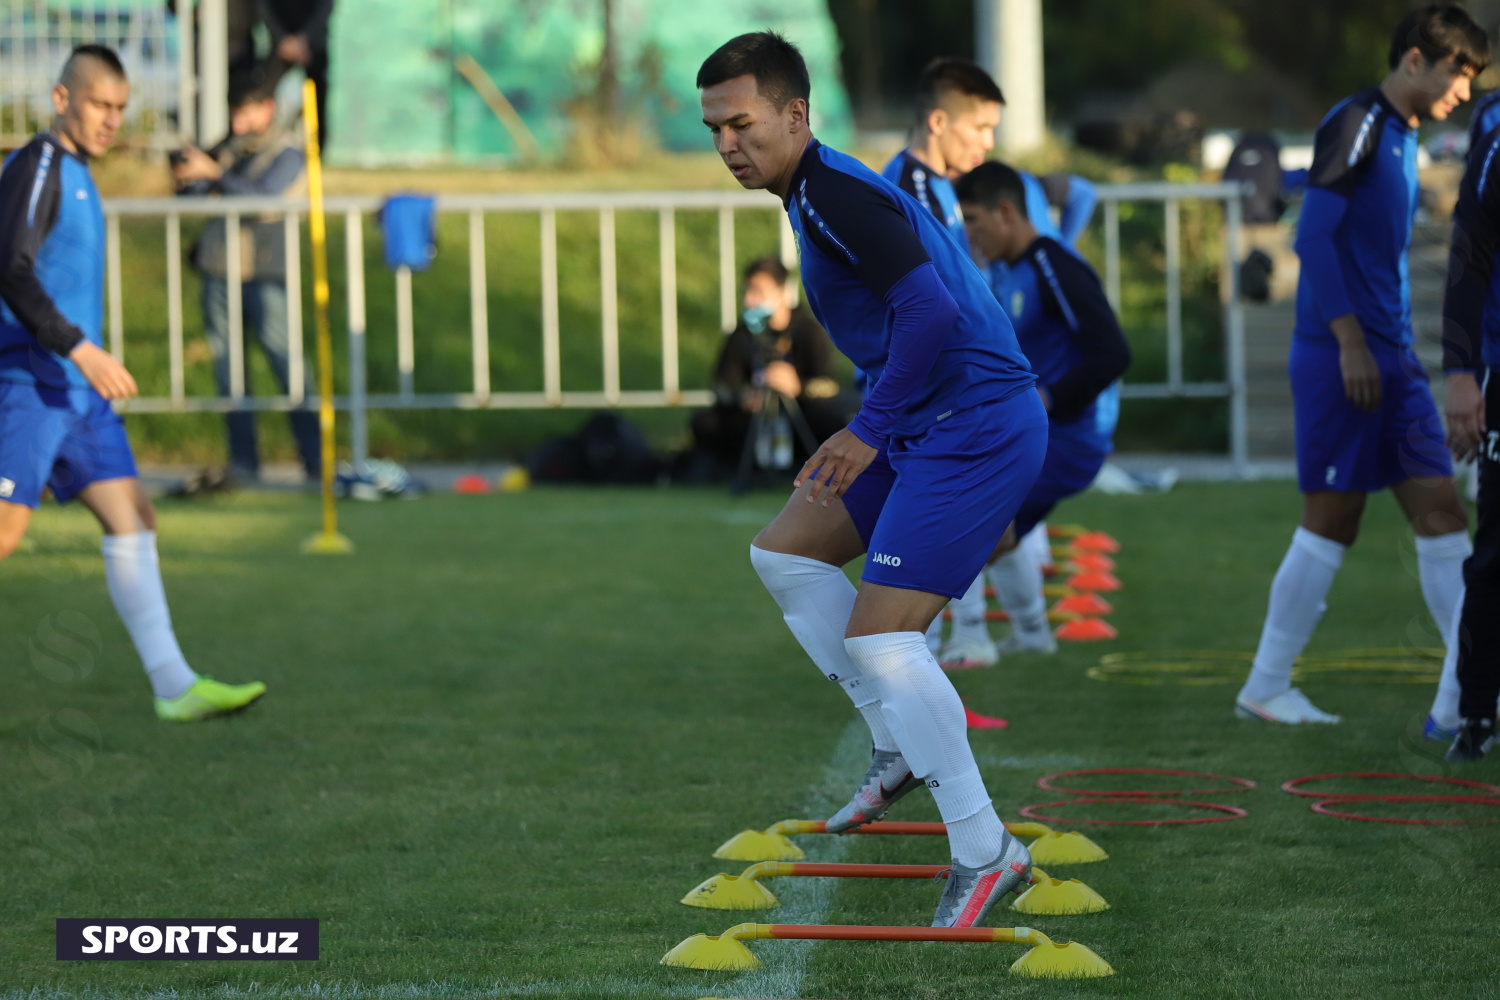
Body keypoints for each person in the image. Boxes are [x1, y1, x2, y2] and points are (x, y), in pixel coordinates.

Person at [699, 31, 1048, 928]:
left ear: (795, 114)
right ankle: (894, 745)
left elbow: (928, 308)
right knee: (783, 553)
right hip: (929, 422)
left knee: (886, 643)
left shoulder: (832, 194)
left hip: (974, 422)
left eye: (743, 123)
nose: (729, 145)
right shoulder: (813, 191)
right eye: (715, 130)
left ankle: (986, 851)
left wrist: (866, 426)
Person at [1234, 5, 1487, 725]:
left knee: (1442, 512)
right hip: (1343, 359)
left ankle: (1473, 685)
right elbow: (1311, 239)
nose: (1464, 92)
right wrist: (1349, 342)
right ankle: (1265, 686)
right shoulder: (1357, 122)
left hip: (1393, 360)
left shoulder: (1407, 134)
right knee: (1332, 519)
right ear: (1415, 60)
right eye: (1457, 73)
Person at [0, 46, 267, 721]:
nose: (111, 119)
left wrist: (82, 364)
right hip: (30, 380)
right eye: (99, 104)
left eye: (121, 108)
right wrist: (80, 348)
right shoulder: (39, 165)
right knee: (3, 532)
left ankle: (174, 686)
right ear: (62, 100)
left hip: (77, 397)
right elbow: (11, 269)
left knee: (134, 517)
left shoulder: (84, 175)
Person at [942, 162, 1131, 667]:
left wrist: (1047, 400)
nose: (971, 233)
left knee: (962, 519)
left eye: (976, 220)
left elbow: (1112, 352)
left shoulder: (1053, 265)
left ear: (1007, 212)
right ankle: (1029, 634)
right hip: (1044, 433)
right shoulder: (1015, 269)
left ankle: (970, 641)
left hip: (1068, 437)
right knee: (993, 529)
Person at [174, 76, 320, 484]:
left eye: (245, 112)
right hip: (218, 273)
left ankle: (317, 461)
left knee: (288, 367)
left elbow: (261, 198)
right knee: (229, 372)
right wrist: (189, 174)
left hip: (265, 275)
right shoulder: (232, 150)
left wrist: (215, 173)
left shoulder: (289, 152)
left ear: (267, 109)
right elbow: (200, 193)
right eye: (234, 113)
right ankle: (244, 464)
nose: (238, 122)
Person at [1431, 108, 1500, 761]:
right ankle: (1475, 716)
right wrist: (1461, 374)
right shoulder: (1496, 143)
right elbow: (1468, 262)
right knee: (1497, 555)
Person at [690, 257, 847, 474]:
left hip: (800, 414)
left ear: (782, 292)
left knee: (830, 421)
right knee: (706, 423)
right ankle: (743, 470)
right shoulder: (743, 333)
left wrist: (797, 387)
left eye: (758, 292)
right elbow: (722, 385)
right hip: (755, 418)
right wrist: (744, 396)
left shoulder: (808, 330)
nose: (750, 300)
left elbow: (829, 385)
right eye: (747, 291)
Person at [258, 0, 335, 150]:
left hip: (314, 47)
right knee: (264, 97)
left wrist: (305, 40)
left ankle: (317, 153)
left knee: (317, 102)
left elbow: (325, 7)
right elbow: (264, 8)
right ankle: (264, 150)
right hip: (281, 47)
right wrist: (281, 39)